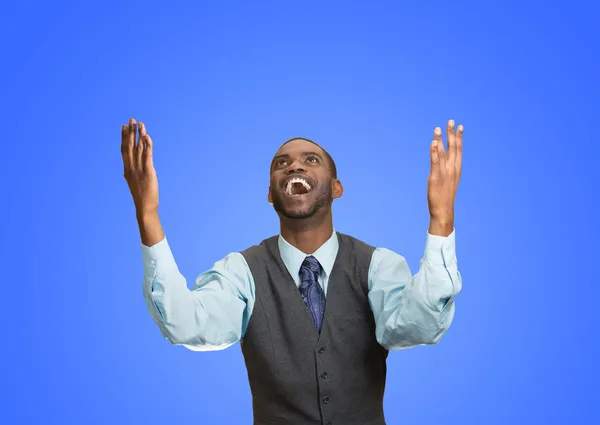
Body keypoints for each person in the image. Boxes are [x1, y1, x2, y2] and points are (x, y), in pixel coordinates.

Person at [121, 118, 463, 425]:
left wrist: (441, 218)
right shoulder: (241, 272)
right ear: (271, 194)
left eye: (310, 160)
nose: (293, 166)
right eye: (281, 163)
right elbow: (184, 324)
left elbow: (417, 327)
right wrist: (147, 214)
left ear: (337, 188)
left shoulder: (377, 265)